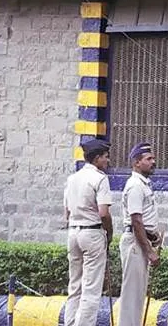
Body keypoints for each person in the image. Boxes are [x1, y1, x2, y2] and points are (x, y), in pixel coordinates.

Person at [63, 139, 113, 326]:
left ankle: (70, 323)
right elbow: (103, 213)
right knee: (91, 289)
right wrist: (109, 233)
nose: (107, 160)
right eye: (105, 157)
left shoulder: (72, 178)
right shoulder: (100, 178)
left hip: (73, 231)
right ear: (97, 158)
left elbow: (66, 213)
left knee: (74, 286)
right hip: (92, 231)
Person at [119, 143, 161, 326]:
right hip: (135, 243)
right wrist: (149, 252)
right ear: (137, 162)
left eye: (153, 158)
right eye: (148, 159)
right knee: (132, 296)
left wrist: (153, 238)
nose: (153, 162)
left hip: (142, 241)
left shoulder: (143, 184)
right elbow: (136, 220)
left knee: (138, 295)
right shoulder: (135, 186)